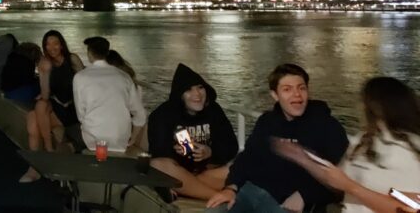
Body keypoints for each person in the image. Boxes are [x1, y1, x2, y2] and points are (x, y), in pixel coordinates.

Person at [206, 63, 348, 213]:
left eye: (302, 88)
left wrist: (305, 195)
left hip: (289, 203)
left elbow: (339, 176)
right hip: (251, 191)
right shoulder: (267, 121)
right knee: (214, 211)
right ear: (275, 95)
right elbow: (247, 158)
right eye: (287, 89)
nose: (297, 95)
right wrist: (231, 188)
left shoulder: (327, 125)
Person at [273, 77, 420, 213]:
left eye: (364, 102)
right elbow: (339, 180)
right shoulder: (364, 139)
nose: (360, 107)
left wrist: (351, 187)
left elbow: (411, 207)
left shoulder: (410, 148)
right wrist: (303, 159)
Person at [149, 63, 239, 201]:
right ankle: (218, 196)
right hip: (178, 171)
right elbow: (158, 151)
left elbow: (231, 146)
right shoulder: (162, 114)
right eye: (189, 90)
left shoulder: (213, 110)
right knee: (157, 165)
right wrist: (175, 151)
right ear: (180, 94)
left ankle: (187, 189)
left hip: (206, 173)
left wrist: (209, 152)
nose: (197, 94)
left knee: (240, 166)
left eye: (200, 87)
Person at [19, 30, 84, 183]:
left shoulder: (72, 59)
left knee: (34, 117)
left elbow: (86, 84)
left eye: (55, 43)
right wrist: (44, 71)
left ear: (61, 45)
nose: (51, 47)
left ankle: (36, 167)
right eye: (47, 44)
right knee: (38, 111)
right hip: (55, 107)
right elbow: (46, 94)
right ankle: (45, 155)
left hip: (74, 108)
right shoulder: (44, 63)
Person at [72, 37, 147, 152]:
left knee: (70, 135)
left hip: (92, 139)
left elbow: (81, 115)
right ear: (107, 53)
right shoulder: (124, 76)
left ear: (89, 53)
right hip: (120, 139)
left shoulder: (80, 77)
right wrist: (133, 137)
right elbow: (140, 114)